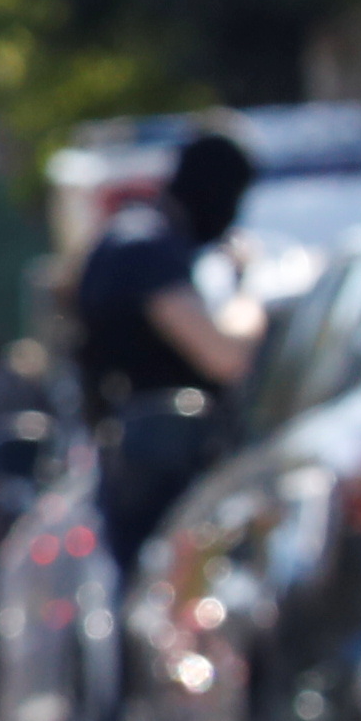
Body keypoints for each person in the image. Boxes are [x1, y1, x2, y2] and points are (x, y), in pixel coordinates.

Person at [74, 127, 262, 580]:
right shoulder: (145, 248)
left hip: (145, 459)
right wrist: (248, 292)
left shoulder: (138, 239)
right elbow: (224, 356)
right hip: (156, 464)